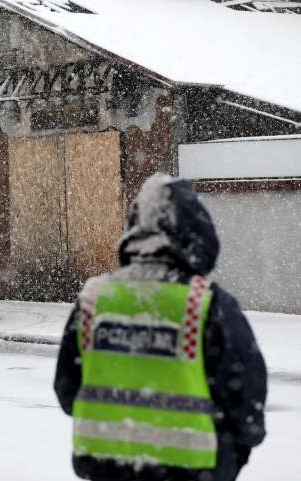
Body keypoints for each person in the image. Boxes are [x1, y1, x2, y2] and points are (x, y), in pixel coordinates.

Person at [54, 173, 267, 481]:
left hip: (107, 471)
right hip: (193, 471)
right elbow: (246, 406)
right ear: (196, 234)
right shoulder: (207, 305)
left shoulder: (93, 300)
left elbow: (68, 390)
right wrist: (227, 458)